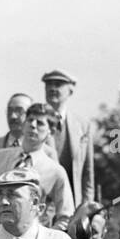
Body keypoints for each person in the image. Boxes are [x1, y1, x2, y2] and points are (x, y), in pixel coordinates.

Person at [0, 102, 75, 230]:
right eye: (30, 120)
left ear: (50, 131)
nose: (33, 125)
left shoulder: (55, 171)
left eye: (40, 123)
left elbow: (66, 216)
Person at [42, 70, 95, 206]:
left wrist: (86, 206)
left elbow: (87, 173)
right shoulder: (34, 122)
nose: (53, 89)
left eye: (58, 84)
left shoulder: (83, 126)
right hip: (43, 202)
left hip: (72, 203)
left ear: (70, 91)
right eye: (49, 85)